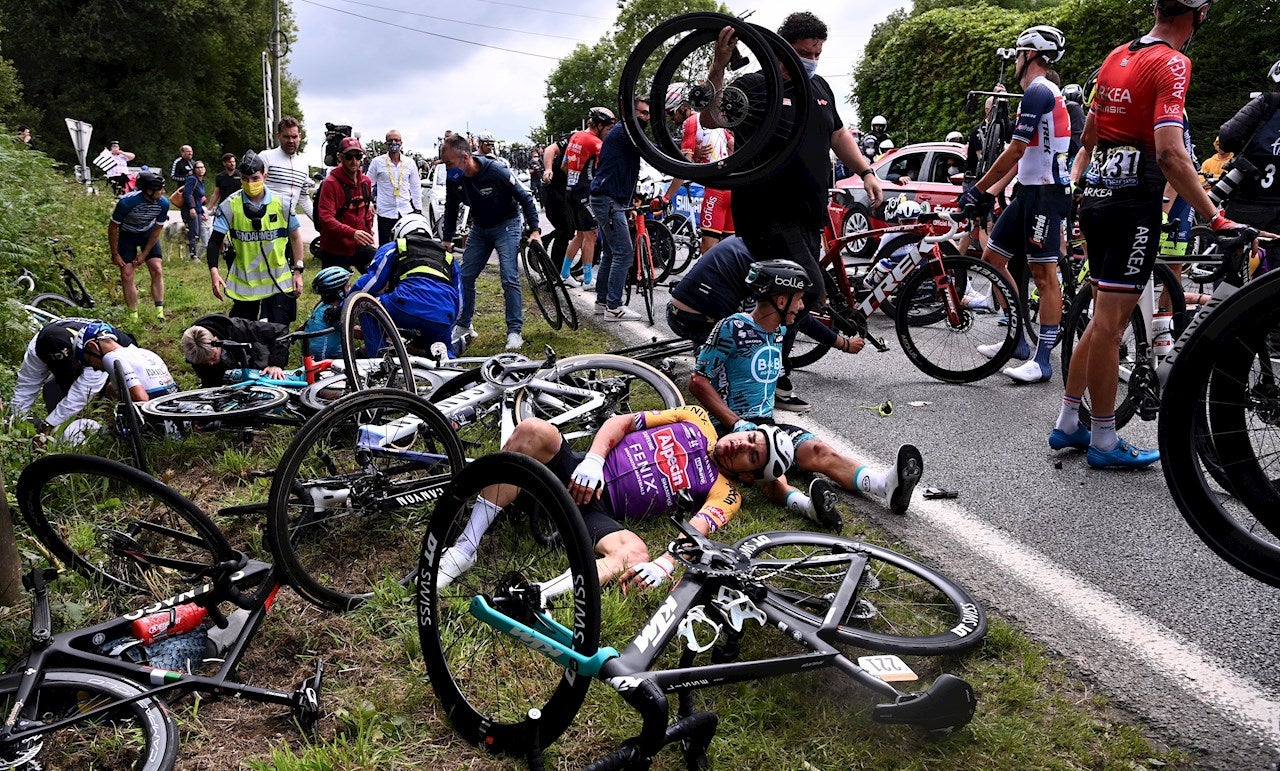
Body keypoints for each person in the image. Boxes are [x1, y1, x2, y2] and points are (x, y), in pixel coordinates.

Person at [1057, 0, 1243, 469]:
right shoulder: (1173, 63)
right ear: (1198, 15)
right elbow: (1169, 154)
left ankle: (1067, 423)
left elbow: (1091, 136)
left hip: (1097, 198)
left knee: (1102, 319)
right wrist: (1214, 217)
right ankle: (1103, 439)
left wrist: (1082, 184)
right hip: (1132, 203)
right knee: (1110, 325)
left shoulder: (1117, 56)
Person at [703, 12, 883, 413]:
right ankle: (770, 373)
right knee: (807, 291)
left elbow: (837, 135)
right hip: (766, 210)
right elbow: (710, 116)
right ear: (783, 46)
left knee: (782, 294)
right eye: (804, 52)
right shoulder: (754, 86)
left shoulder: (818, 88)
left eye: (818, 52)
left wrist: (867, 171)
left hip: (806, 213)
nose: (812, 59)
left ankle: (751, 367)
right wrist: (718, 64)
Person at [434, 404, 797, 592]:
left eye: (752, 456)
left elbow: (696, 531)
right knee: (533, 430)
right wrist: (594, 459)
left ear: (750, 475)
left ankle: (541, 595)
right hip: (577, 470)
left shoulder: (727, 492)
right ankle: (465, 548)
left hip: (598, 510)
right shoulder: (695, 419)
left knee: (635, 552)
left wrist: (664, 564)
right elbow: (621, 423)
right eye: (752, 439)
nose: (741, 446)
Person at [688, 259, 923, 520]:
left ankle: (886, 486)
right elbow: (698, 381)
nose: (801, 306)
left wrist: (843, 343)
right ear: (780, 300)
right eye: (798, 299)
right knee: (771, 471)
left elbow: (809, 325)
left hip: (766, 425)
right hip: (728, 429)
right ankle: (806, 506)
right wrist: (736, 423)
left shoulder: (779, 329)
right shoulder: (733, 328)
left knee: (818, 451)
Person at [959, 24, 1072, 385]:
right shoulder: (1036, 95)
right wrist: (991, 191)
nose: (1015, 61)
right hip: (1027, 191)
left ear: (1031, 57)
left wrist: (979, 188)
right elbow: (1024, 158)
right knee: (992, 260)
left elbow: (1017, 149)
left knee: (1043, 274)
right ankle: (1018, 342)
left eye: (1019, 54)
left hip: (1047, 193)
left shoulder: (1040, 91)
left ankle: (1043, 360)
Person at [666, 235, 858, 360]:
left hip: (677, 314)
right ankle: (713, 352)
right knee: (760, 338)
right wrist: (842, 343)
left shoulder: (751, 241)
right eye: (799, 298)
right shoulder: (769, 268)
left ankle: (707, 348)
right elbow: (788, 313)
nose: (801, 305)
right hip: (699, 322)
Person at [439, 134, 541, 351]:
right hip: (481, 227)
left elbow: (526, 198)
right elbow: (450, 208)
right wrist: (447, 239)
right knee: (465, 275)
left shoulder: (496, 171)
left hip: (507, 224)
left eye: (449, 163)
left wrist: (535, 230)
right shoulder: (454, 178)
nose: (447, 169)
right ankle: (464, 324)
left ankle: (514, 332)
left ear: (465, 157)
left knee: (509, 275)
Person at [589, 98, 682, 322]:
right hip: (609, 199)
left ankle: (602, 302)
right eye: (641, 112)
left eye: (648, 114)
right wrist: (681, 157)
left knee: (611, 253)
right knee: (624, 253)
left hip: (610, 199)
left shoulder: (625, 132)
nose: (645, 117)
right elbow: (652, 152)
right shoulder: (626, 132)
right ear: (629, 113)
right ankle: (614, 307)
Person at [205, 150, 305, 324]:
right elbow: (214, 242)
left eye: (255, 178)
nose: (250, 183)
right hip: (245, 286)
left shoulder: (282, 204)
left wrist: (298, 271)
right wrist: (214, 271)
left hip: (278, 283)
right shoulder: (229, 205)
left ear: (265, 176)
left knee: (278, 335)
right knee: (243, 335)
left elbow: (296, 238)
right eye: (245, 179)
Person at [353, 212, 461, 356]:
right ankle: (449, 366)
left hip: (404, 305)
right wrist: (446, 321)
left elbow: (372, 282)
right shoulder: (449, 258)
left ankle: (378, 360)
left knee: (366, 306)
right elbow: (460, 303)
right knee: (442, 351)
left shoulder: (396, 246)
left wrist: (346, 304)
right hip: (443, 313)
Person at [10, 318, 135, 435]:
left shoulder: (92, 347)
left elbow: (81, 393)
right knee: (51, 389)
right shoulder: (36, 349)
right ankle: (60, 431)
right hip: (76, 360)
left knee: (112, 391)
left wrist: (48, 424)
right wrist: (15, 422)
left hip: (116, 362)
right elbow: (27, 386)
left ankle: (112, 431)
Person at [666, 82, 734, 254]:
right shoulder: (714, 122)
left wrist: (666, 197)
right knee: (728, 250)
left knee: (708, 250)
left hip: (715, 191)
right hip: (733, 189)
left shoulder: (690, 122)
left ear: (682, 107)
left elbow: (683, 168)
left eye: (670, 113)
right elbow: (733, 146)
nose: (671, 119)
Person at [1217, 58, 1280, 234]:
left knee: (1236, 250)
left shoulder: (1267, 102)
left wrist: (1242, 150)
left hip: (1248, 195)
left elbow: (1228, 137)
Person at [559, 107, 616, 289]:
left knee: (580, 235)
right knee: (591, 235)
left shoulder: (575, 137)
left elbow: (564, 166)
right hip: (585, 192)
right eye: (607, 129)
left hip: (571, 190)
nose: (608, 133)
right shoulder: (595, 142)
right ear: (599, 125)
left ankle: (565, 273)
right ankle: (588, 279)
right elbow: (605, 169)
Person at [108, 170, 169, 322]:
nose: (163, 192)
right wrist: (115, 253)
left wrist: (144, 254)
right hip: (126, 234)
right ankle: (133, 315)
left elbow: (157, 230)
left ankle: (159, 311)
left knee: (156, 268)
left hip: (147, 233)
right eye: (159, 189)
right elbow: (113, 227)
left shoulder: (163, 203)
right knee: (127, 274)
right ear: (149, 191)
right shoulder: (127, 202)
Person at [75, 321, 178, 402]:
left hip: (158, 417)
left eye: (88, 361)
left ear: (92, 347)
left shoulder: (111, 357)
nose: (94, 368)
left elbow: (141, 398)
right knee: (111, 389)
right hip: (175, 405)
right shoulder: (145, 352)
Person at [180, 314, 291, 387]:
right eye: (204, 362)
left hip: (256, 360)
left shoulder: (237, 328)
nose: (211, 363)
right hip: (229, 374)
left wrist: (275, 364)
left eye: (213, 357)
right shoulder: (195, 352)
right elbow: (209, 382)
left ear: (216, 340)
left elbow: (280, 331)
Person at [316, 137, 376, 272]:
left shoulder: (366, 182)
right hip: (335, 249)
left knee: (382, 279)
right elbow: (326, 219)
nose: (354, 161)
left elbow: (365, 211)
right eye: (349, 157)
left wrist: (368, 232)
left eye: (358, 156)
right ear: (340, 157)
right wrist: (353, 233)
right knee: (334, 292)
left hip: (359, 246)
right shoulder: (330, 183)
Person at [366, 129, 424, 245]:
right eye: (390, 140)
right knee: (386, 247)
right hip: (385, 213)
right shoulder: (377, 162)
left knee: (406, 247)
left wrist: (418, 209)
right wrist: (369, 203)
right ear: (386, 143)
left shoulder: (409, 162)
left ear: (401, 142)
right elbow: (367, 184)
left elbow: (415, 187)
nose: (394, 143)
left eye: (396, 140)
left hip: (405, 212)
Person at [260, 116, 314, 224]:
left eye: (294, 137)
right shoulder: (265, 157)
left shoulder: (303, 165)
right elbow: (253, 190)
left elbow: (303, 198)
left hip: (289, 223)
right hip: (265, 223)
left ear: (300, 136)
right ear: (278, 136)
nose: (291, 141)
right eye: (286, 137)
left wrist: (321, 223)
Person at [540, 134, 574, 282]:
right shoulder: (575, 138)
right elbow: (550, 149)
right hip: (555, 190)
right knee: (565, 230)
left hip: (572, 192)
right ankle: (555, 275)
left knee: (574, 229)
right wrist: (548, 169)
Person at [181, 160, 209, 261]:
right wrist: (191, 208)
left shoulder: (201, 181)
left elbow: (198, 199)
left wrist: (201, 212)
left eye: (202, 167)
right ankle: (193, 255)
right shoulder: (192, 179)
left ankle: (193, 254)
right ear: (194, 170)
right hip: (190, 210)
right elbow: (187, 194)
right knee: (193, 233)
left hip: (197, 209)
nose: (201, 169)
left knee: (196, 233)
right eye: (198, 168)